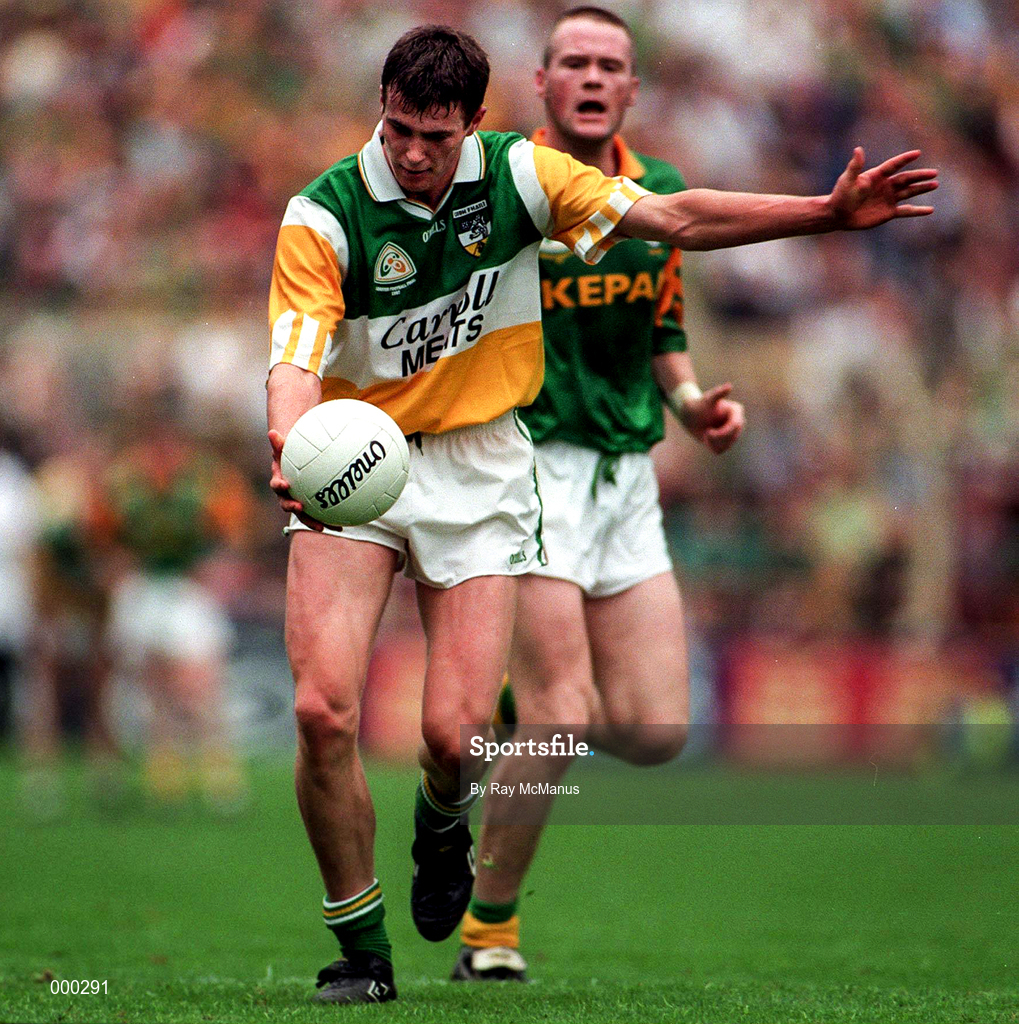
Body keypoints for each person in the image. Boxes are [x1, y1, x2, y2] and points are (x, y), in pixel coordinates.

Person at [265, 23, 936, 1005]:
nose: (411, 154)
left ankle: (443, 821)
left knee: (453, 737)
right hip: (356, 458)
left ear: (474, 122)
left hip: (481, 465)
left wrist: (822, 214)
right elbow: (292, 356)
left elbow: (674, 218)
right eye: (398, 129)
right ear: (382, 106)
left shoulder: (520, 177)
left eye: (434, 137)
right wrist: (289, 439)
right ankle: (360, 950)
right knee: (322, 710)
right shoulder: (322, 214)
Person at [450, 6, 743, 982]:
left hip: (626, 474)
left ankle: (501, 707)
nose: (590, 76)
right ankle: (488, 933)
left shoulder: (657, 188)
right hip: (528, 464)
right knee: (563, 715)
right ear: (540, 82)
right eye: (572, 61)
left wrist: (692, 404)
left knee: (657, 734)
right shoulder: (503, 184)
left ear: (629, 88)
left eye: (608, 64)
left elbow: (663, 326)